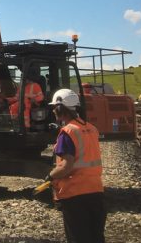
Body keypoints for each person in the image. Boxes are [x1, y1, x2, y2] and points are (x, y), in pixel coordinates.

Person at [45, 88, 106, 243]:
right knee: (96, 237)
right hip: (96, 192)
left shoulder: (68, 132)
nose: (53, 110)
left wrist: (50, 176)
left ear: (60, 109)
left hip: (75, 196)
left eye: (54, 107)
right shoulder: (91, 129)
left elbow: (66, 166)